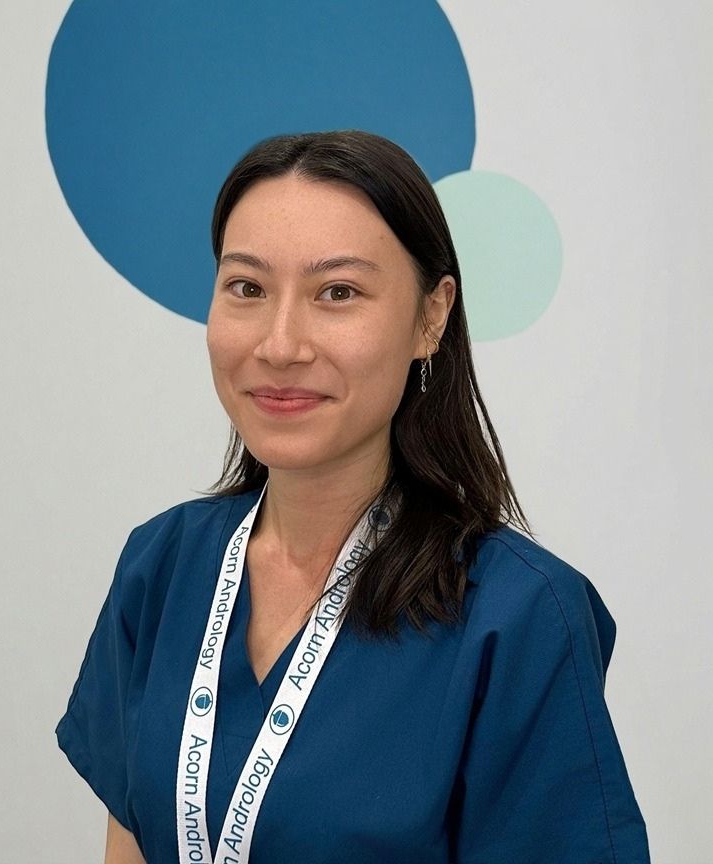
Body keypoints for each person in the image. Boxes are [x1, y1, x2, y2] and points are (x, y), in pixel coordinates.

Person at [56, 129, 650, 864]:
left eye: (337, 292)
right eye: (247, 288)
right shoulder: (164, 564)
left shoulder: (520, 616)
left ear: (430, 318)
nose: (280, 344)